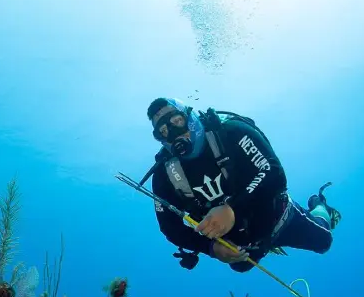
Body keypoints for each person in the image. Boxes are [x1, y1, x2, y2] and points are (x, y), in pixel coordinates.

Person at [145, 97, 341, 271]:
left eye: (177, 121)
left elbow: (273, 171)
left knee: (325, 241)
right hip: (244, 246)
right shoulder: (164, 176)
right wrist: (210, 248)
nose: (174, 134)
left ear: (190, 116)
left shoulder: (232, 131)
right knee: (240, 266)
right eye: (163, 131)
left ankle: (320, 206)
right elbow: (169, 228)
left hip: (281, 218)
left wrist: (232, 208)